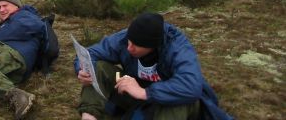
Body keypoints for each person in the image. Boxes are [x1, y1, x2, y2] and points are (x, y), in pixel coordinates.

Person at [74, 13, 233, 120]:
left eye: (136, 45)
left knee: (178, 101)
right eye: (129, 41)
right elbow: (90, 54)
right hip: (137, 94)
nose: (129, 47)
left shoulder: (177, 47)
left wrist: (146, 92)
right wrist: (82, 69)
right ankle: (90, 116)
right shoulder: (128, 37)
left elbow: (192, 86)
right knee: (97, 68)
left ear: (153, 46)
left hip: (168, 100)